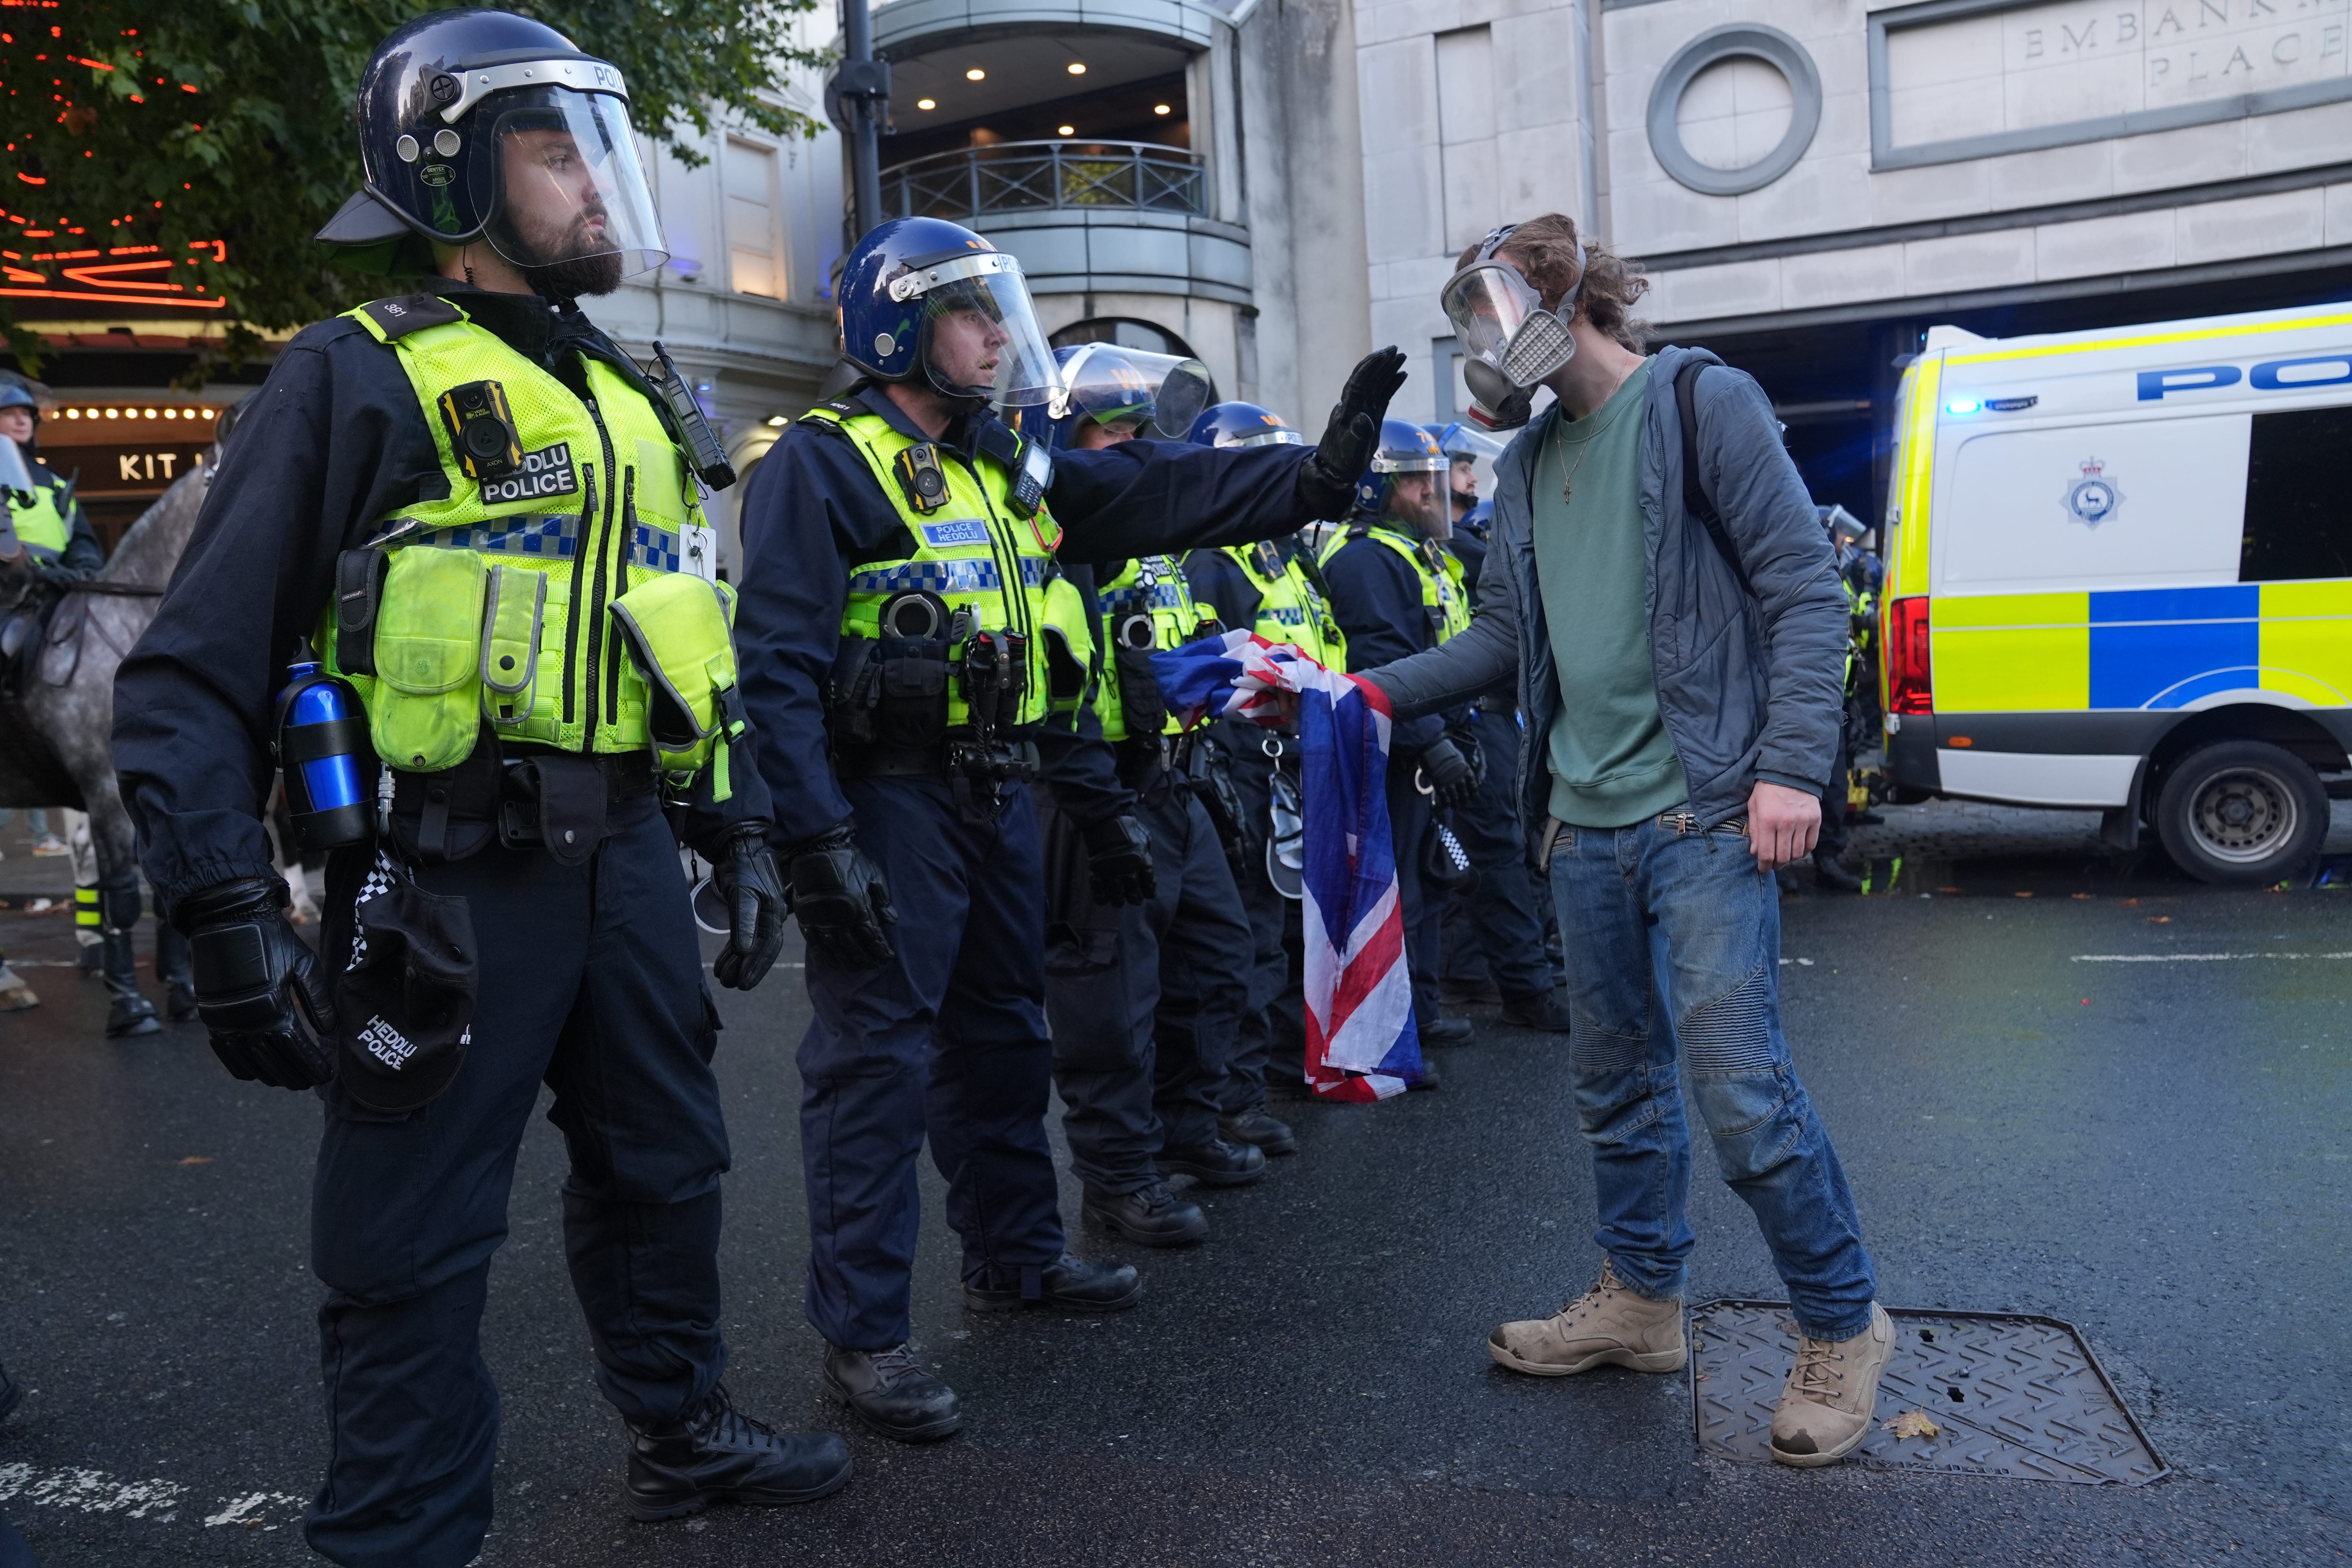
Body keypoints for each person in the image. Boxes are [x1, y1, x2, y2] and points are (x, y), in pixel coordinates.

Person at [111, 15, 852, 1563]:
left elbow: (677, 628)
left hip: (635, 860)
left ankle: (684, 1430)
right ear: (449, 178)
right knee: (408, 1235)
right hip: (444, 879)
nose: (598, 183)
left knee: (671, 1166)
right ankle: (398, 1534)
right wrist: (222, 907)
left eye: (602, 146)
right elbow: (190, 669)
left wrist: (738, 827)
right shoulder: (355, 377)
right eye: (553, 148)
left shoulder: (636, 395)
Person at [732, 214, 1405, 1441]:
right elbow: (771, 665)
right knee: (872, 1060)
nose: (998, 336)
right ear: (898, 326)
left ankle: (1017, 1258)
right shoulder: (823, 464)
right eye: (971, 313)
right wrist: (810, 837)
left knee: (1004, 1033)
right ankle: (866, 1337)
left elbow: (1143, 489)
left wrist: (1308, 477)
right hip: (887, 792)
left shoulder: (1002, 463)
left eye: (999, 312)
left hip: (1000, 781)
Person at [1371, 213, 1891, 1467]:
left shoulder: (1698, 399)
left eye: (1489, 316)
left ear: (1560, 296)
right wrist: (1360, 694)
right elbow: (1504, 638)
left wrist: (1784, 768)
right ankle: (1643, 1304)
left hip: (1703, 812)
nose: (1482, 349)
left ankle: (1839, 1323)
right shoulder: (1524, 463)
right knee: (1614, 1090)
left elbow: (1797, 589)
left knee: (1741, 1093)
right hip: (1581, 821)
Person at [1019, 345, 1267, 1246]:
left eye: (1136, 429)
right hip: (1093, 788)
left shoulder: (1154, 535)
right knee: (1107, 995)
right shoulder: (1054, 532)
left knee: (1215, 957)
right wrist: (1097, 799)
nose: (1127, 447)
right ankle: (1120, 1177)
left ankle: (1186, 1127)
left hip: (1174, 775)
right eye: (1107, 429)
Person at [1181, 401, 1343, 1125]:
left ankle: (1284, 1063)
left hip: (1301, 757)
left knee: (1285, 925)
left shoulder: (1282, 551)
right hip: (1245, 763)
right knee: (1244, 932)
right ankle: (1236, 1098)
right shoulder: (1211, 558)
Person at [1316, 419, 1482, 1054]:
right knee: (1401, 889)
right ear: (1379, 491)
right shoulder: (1365, 559)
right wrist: (1431, 740)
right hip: (1393, 752)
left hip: (1429, 742)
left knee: (1432, 880)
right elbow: (1382, 663)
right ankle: (1397, 1023)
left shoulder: (1415, 551)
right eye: (1415, 483)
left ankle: (1423, 1007)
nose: (1429, 495)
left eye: (1429, 481)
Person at [0, 381, 103, 581]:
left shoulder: (54, 480)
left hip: (58, 584)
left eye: (26, 414)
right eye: (9, 414)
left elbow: (81, 537)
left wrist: (85, 569)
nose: (21, 421)